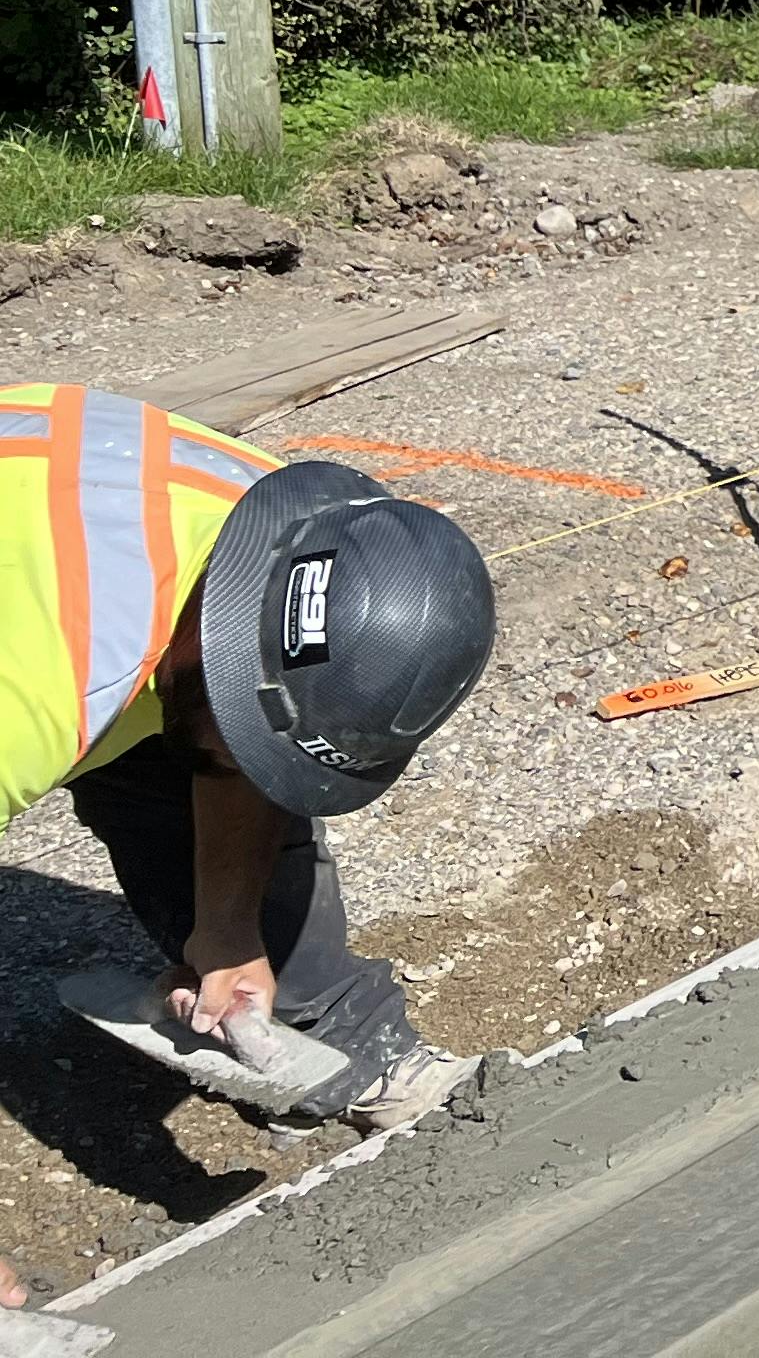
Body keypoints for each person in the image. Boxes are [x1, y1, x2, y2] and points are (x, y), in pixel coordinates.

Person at [5, 381, 497, 1301]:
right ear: (221, 644)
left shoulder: (292, 533)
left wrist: (228, 929)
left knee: (197, 739)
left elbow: (243, 749)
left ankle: (344, 1040)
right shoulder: (37, 683)